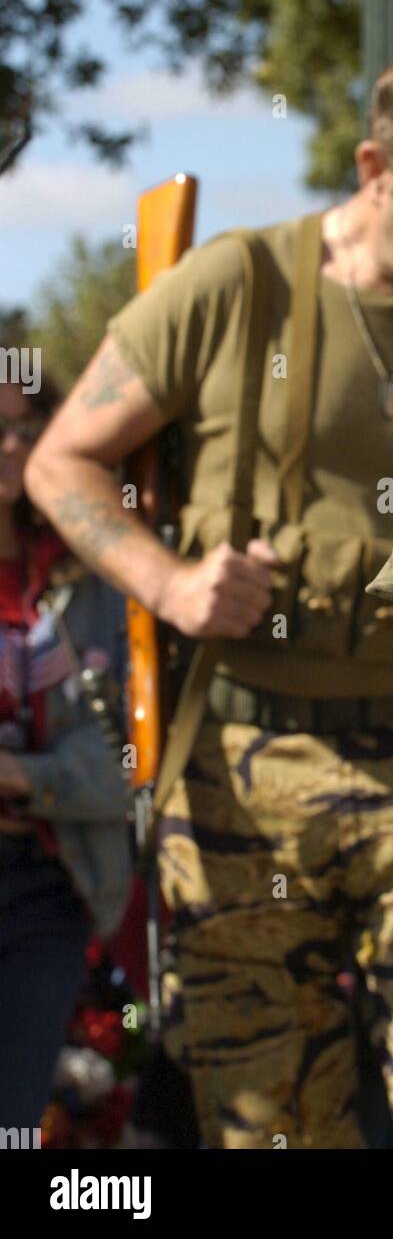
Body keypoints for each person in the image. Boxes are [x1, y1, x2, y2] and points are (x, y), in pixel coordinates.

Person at [24, 38, 393, 1150]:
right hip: (238, 784)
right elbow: (60, 460)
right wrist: (168, 583)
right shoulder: (236, 287)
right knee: (267, 1132)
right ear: (375, 165)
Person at [0, 372, 131, 1136]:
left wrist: (23, 775)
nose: (11, 445)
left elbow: (123, 764)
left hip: (49, 884)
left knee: (13, 1116)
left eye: (26, 427)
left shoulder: (91, 579)